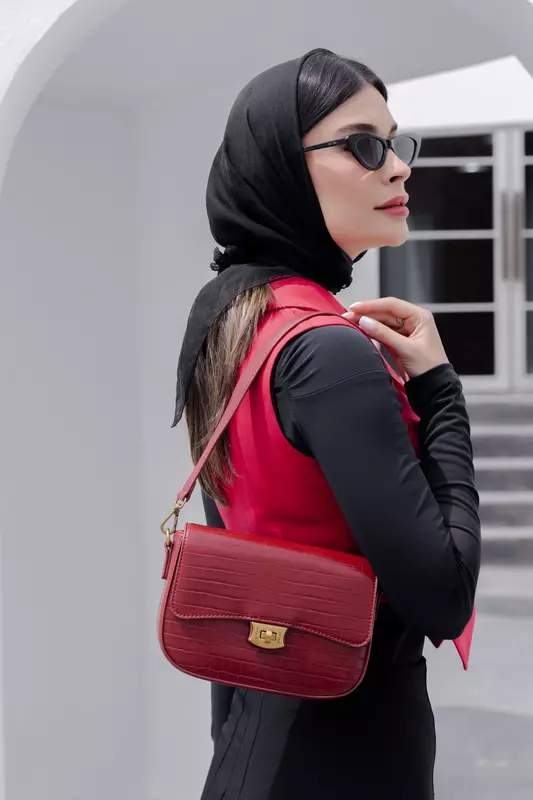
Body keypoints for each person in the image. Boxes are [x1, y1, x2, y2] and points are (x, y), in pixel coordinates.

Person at [171, 48, 481, 800]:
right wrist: (440, 391)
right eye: (363, 146)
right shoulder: (327, 351)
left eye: (395, 144)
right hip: (344, 755)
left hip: (256, 738)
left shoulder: (236, 317)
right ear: (284, 165)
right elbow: (442, 596)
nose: (398, 169)